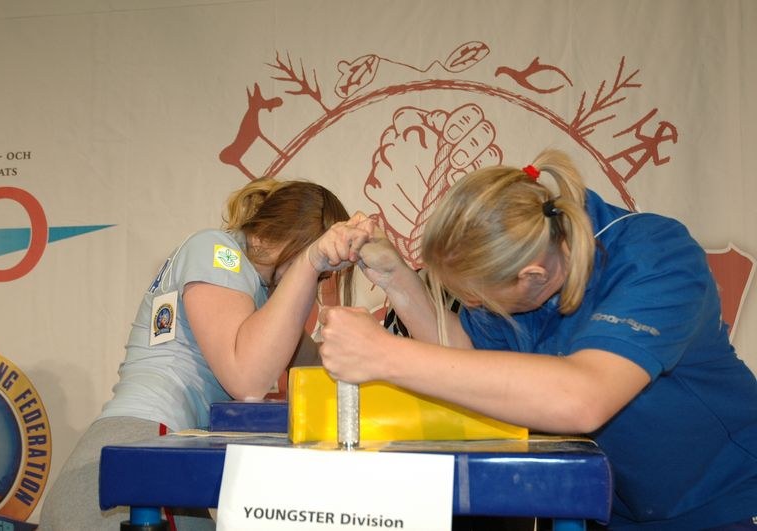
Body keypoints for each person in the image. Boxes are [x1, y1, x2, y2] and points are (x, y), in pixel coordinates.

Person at [318, 149, 757, 530]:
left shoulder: (654, 256)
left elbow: (583, 397)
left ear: (533, 276)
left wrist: (384, 355)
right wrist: (395, 276)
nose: (471, 304)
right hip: (620, 508)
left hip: (726, 501)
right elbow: (468, 363)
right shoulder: (528, 271)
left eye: (473, 295)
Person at [39, 178, 374, 530]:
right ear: (280, 237)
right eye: (317, 267)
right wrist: (309, 262)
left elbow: (329, 372)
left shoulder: (260, 297)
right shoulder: (217, 251)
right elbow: (247, 379)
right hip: (134, 452)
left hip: (162, 452)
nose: (316, 282)